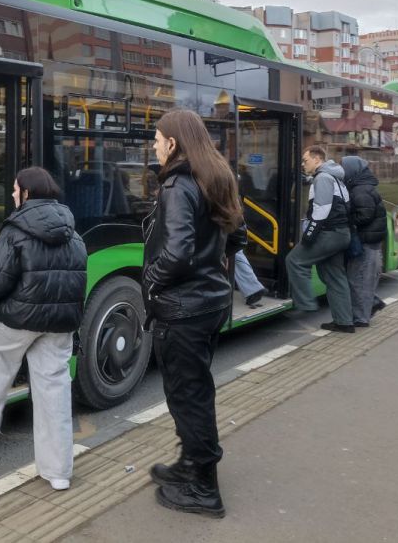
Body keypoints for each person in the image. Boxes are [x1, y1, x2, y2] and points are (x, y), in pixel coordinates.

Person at [0, 167, 87, 492]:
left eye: (16, 189)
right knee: (54, 390)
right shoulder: (73, 232)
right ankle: (58, 472)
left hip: (21, 316)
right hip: (60, 324)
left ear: (27, 193)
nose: (13, 194)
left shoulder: (15, 230)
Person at [143, 109, 245, 519]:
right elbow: (238, 234)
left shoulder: (177, 185)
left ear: (173, 143)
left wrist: (150, 281)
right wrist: (212, 269)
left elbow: (178, 251)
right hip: (211, 303)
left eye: (157, 138)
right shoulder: (217, 176)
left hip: (183, 310)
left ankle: (204, 489)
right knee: (194, 391)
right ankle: (189, 464)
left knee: (189, 397)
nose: (154, 145)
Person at [286, 146, 354, 333]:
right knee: (334, 276)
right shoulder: (333, 177)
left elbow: (321, 210)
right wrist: (307, 180)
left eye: (305, 160)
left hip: (329, 233)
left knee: (294, 260)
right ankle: (344, 322)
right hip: (341, 233)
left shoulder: (323, 178)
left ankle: (306, 304)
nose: (302, 164)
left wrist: (309, 236)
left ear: (317, 160)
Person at [341, 156, 387, 327]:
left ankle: (361, 319)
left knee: (360, 280)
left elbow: (364, 215)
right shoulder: (361, 186)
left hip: (366, 242)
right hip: (368, 241)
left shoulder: (360, 189)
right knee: (357, 279)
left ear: (352, 170)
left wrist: (346, 217)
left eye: (343, 167)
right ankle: (372, 303)